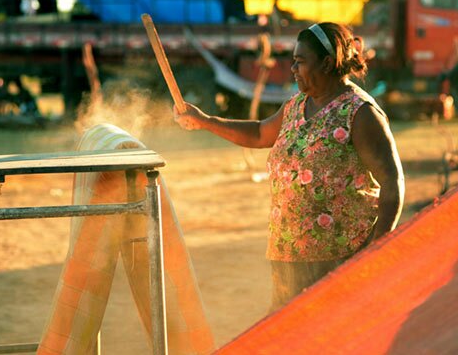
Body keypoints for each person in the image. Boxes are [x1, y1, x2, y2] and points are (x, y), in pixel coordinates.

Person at [173, 22, 405, 312]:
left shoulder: (360, 113)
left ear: (326, 62)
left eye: (299, 61)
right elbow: (259, 133)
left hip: (341, 260)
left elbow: (392, 184)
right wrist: (205, 121)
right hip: (288, 257)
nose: (293, 69)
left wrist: (375, 251)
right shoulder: (296, 105)